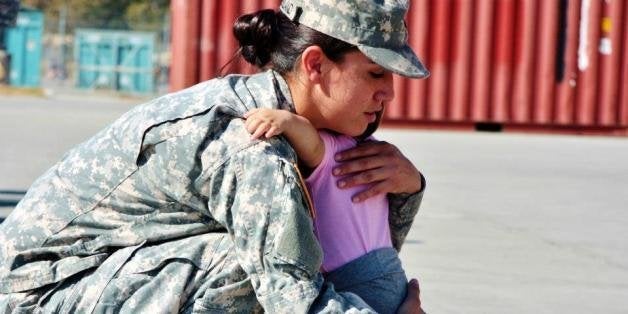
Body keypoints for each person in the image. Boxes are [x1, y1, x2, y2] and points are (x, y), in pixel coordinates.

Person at [0, 0, 429, 313]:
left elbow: (358, 253)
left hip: (100, 279)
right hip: (41, 295)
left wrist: (408, 188)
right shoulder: (254, 144)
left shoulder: (308, 130)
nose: (389, 92)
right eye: (376, 73)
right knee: (246, 266)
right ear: (315, 65)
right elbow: (294, 300)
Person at [244, 106, 414, 313]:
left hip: (359, 281)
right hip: (388, 275)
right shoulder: (370, 152)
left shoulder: (337, 150)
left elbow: (311, 141)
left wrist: (285, 120)